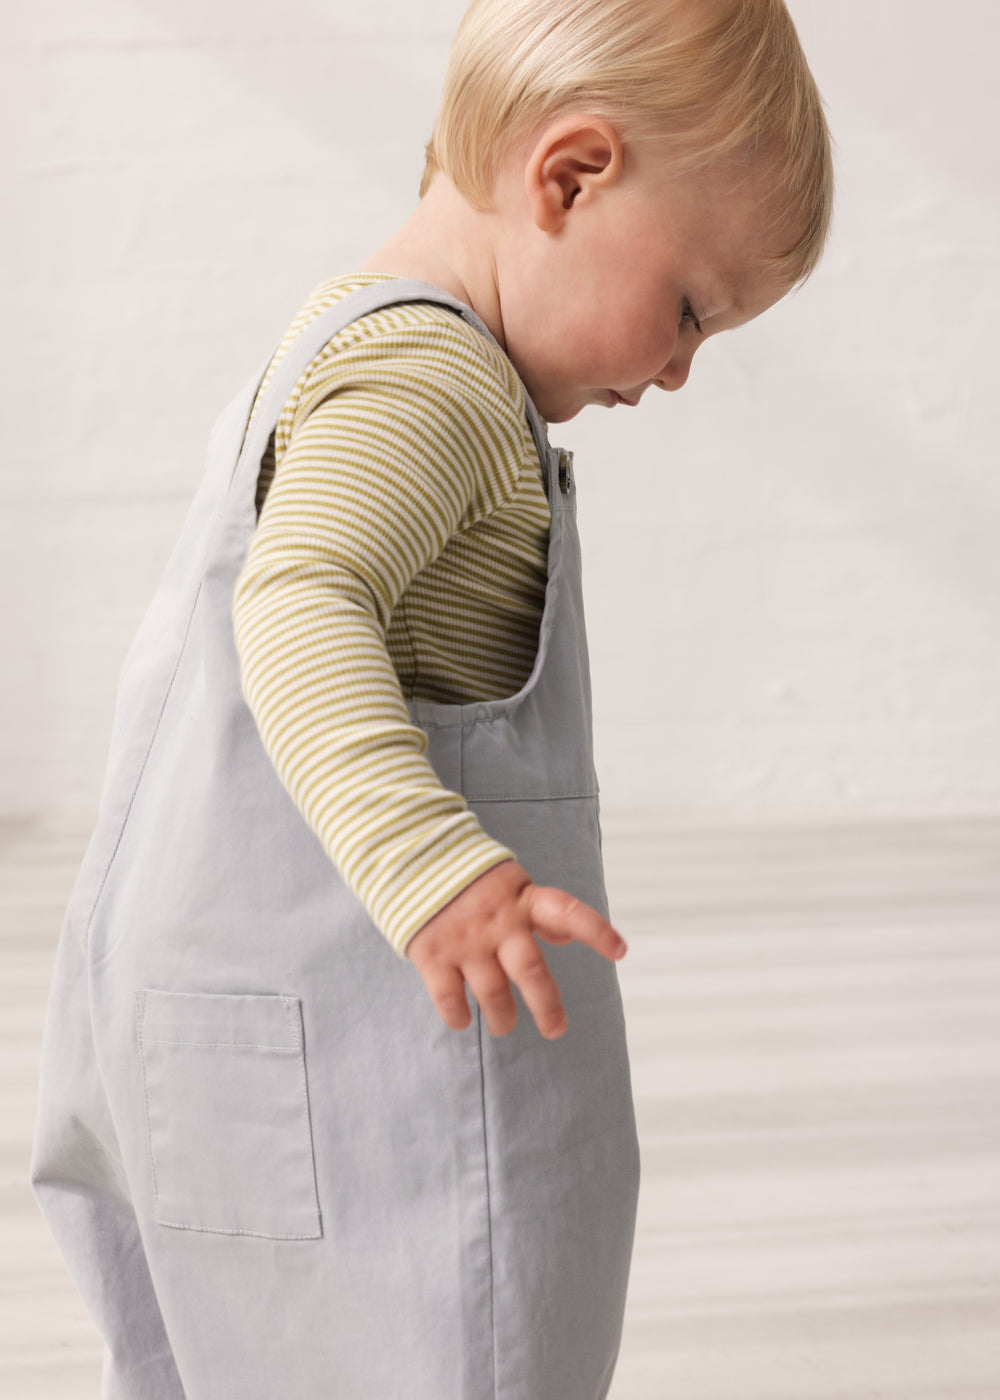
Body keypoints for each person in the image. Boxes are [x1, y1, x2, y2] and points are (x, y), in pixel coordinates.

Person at [31, 1, 833, 1396]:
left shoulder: (336, 336)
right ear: (568, 176)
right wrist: (433, 870)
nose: (679, 370)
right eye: (691, 306)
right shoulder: (438, 385)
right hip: (356, 1040)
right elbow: (294, 601)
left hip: (188, 1022)